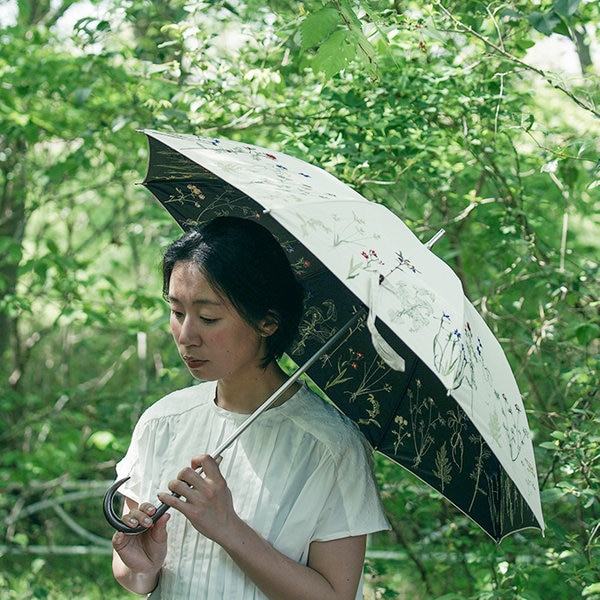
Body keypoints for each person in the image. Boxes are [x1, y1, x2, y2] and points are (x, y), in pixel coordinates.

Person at [111, 216, 389, 599]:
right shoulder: (162, 423)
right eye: (177, 312)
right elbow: (136, 577)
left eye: (208, 317)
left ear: (267, 322)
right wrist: (141, 566)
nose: (186, 336)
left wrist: (228, 528)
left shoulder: (330, 448)